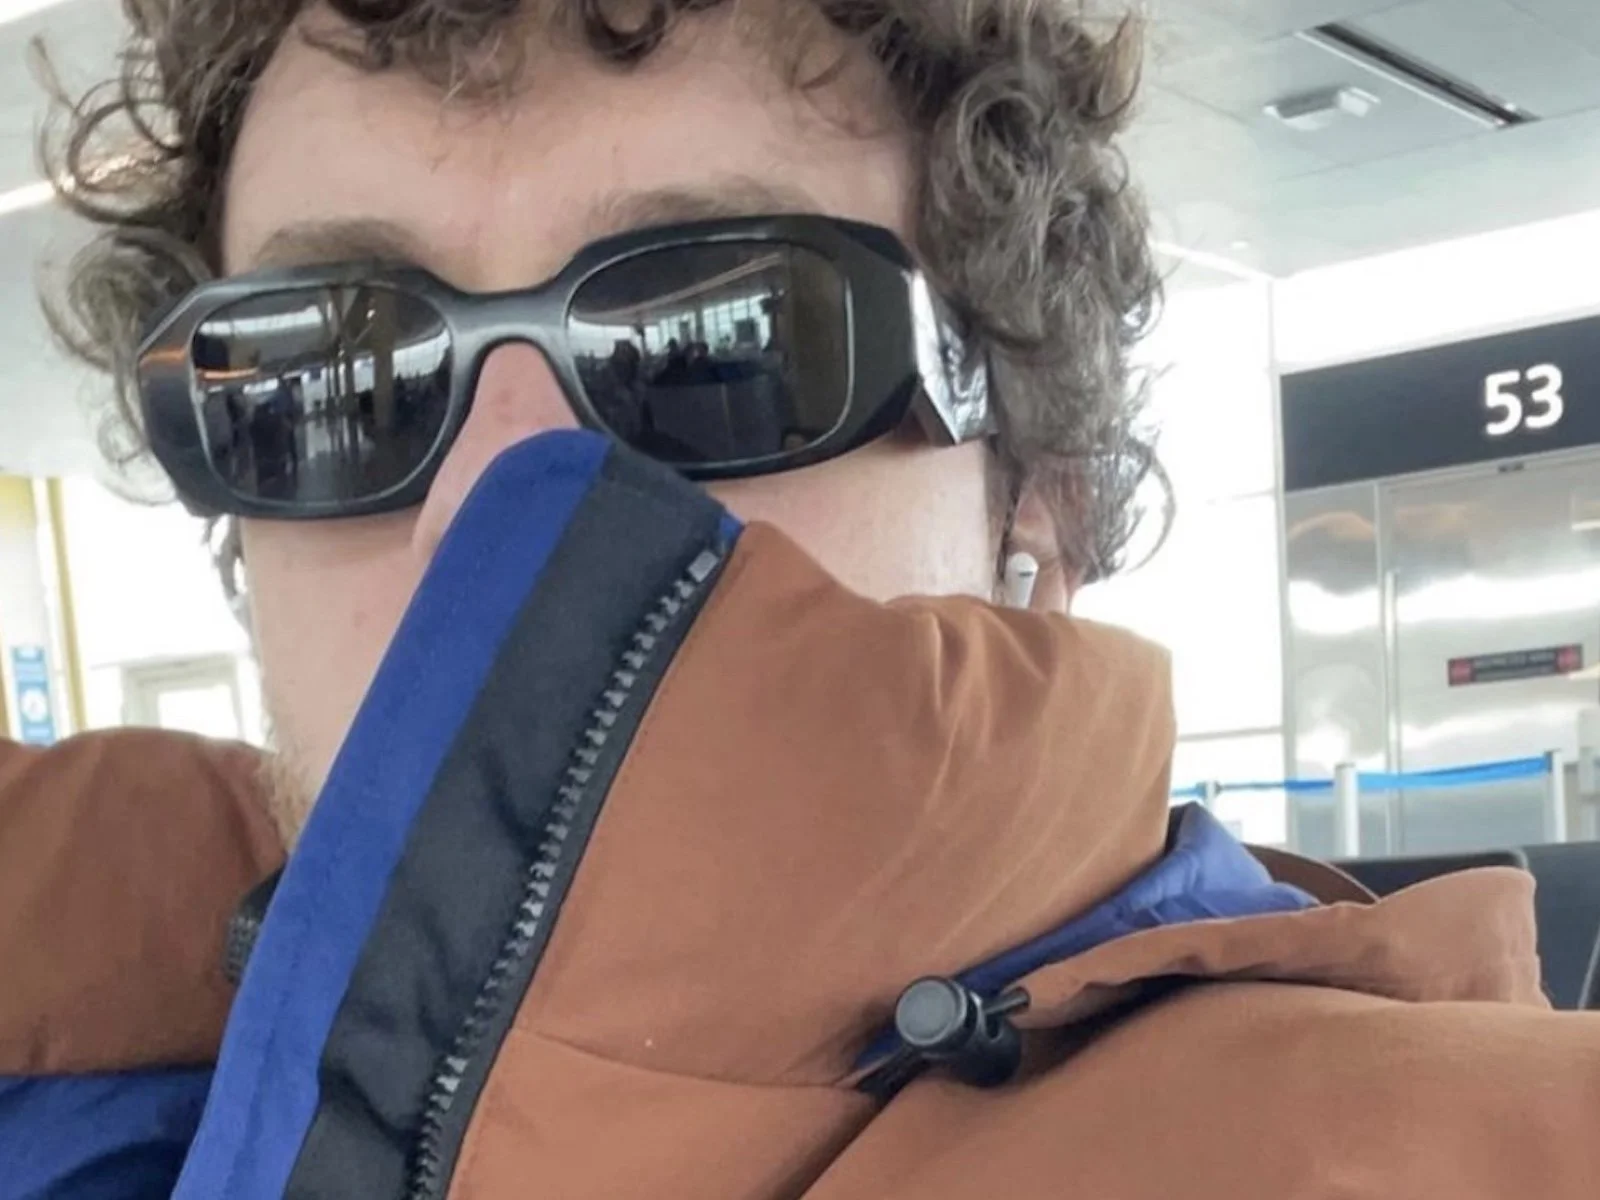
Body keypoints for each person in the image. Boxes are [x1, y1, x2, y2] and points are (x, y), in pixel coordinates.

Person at [14, 2, 1600, 1197]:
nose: (485, 509)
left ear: (1036, 503)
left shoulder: (1462, 1149)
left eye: (718, 347)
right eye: (327, 381)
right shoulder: (81, 1070)